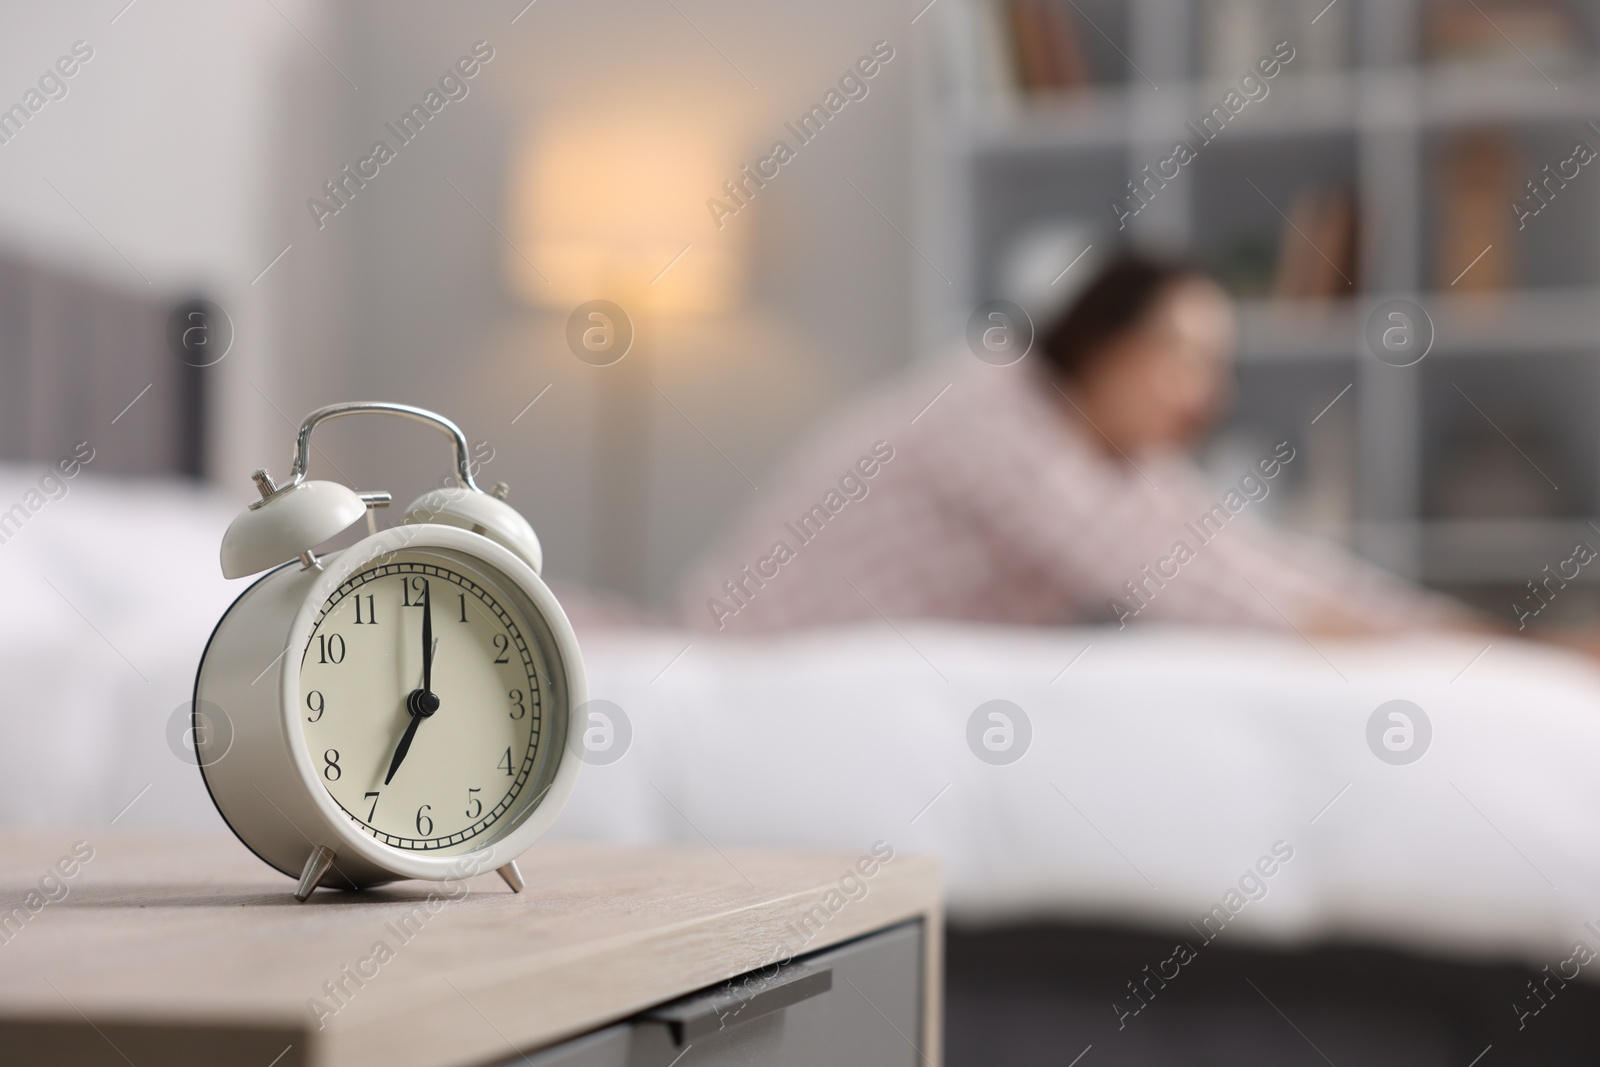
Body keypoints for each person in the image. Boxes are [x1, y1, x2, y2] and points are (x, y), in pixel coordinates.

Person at [678, 252, 1472, 636]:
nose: (1209, 394)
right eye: (1182, 357)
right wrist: (1439, 648)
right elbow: (1195, 592)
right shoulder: (995, 416)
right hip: (749, 654)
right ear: (1101, 343)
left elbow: (1246, 558)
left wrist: (1447, 628)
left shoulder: (1113, 453)